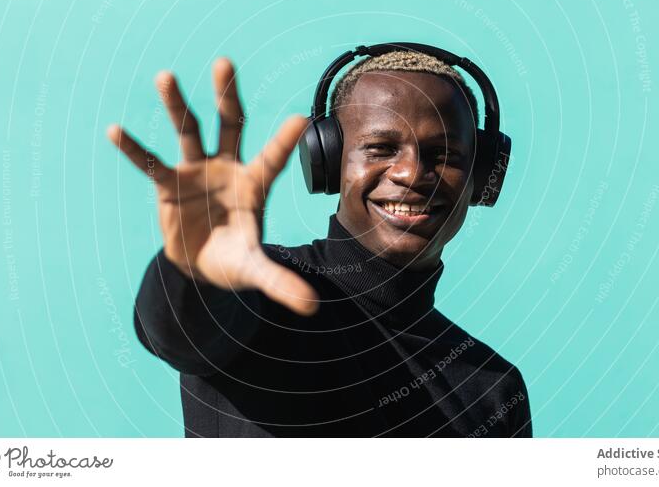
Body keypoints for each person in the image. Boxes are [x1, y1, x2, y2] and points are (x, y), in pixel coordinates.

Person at [106, 48, 532, 437]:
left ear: (481, 178)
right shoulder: (265, 296)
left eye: (445, 154)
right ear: (327, 162)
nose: (411, 174)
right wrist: (195, 270)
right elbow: (181, 330)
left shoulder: (494, 387)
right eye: (381, 148)